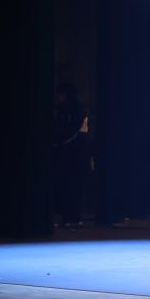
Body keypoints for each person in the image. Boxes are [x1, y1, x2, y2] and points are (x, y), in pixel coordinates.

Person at [54, 83, 90, 227]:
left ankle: (74, 216)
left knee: (74, 186)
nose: (59, 97)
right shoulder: (63, 110)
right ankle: (67, 216)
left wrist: (60, 141)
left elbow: (76, 132)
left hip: (76, 154)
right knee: (66, 186)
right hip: (66, 154)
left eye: (61, 94)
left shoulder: (78, 111)